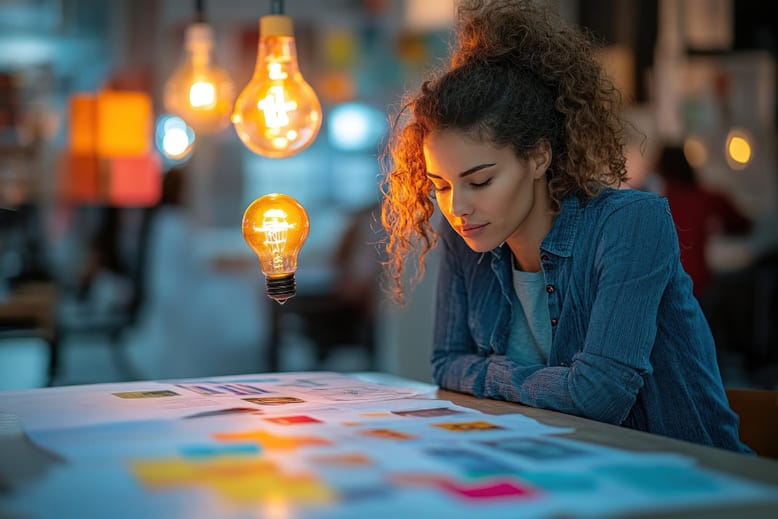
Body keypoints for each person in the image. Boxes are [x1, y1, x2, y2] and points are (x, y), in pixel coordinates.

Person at [380, 0, 750, 452]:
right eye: (439, 185)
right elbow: (444, 364)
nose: (458, 208)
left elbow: (599, 397)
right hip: (566, 469)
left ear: (539, 157)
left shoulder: (630, 224)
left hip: (691, 478)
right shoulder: (469, 241)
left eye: (480, 181)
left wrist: (490, 371)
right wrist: (551, 382)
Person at [653, 145, 751, 299]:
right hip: (701, 285)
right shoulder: (706, 198)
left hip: (673, 289)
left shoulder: (659, 206)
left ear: (663, 173)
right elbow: (743, 224)